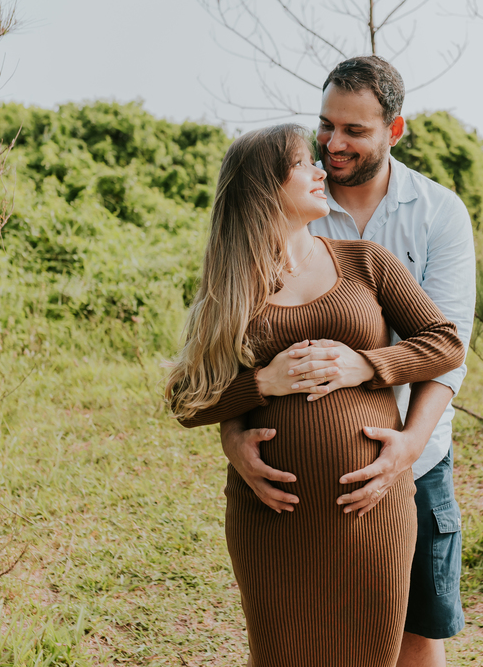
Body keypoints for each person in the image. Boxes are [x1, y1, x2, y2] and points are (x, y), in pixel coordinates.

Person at [166, 122, 465, 667]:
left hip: (370, 511)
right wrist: (261, 384)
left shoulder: (365, 262)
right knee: (281, 653)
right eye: (303, 164)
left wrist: (366, 366)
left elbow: (445, 344)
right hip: (273, 516)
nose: (320, 169)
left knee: (373, 654)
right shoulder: (231, 286)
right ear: (264, 187)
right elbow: (187, 400)